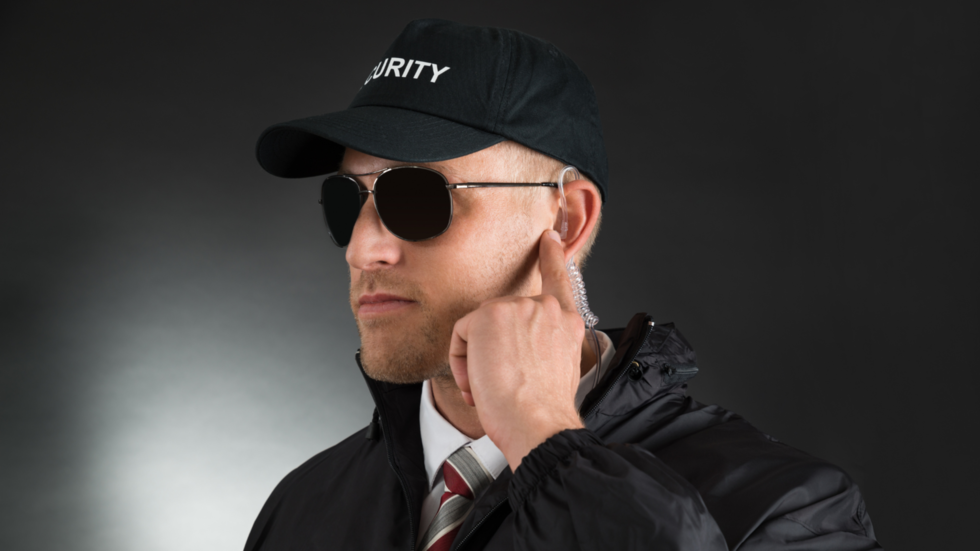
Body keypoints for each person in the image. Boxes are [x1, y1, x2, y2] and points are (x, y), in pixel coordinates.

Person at [244, 19, 881, 551]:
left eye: (415, 198)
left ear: (566, 219)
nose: (363, 248)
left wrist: (548, 444)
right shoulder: (303, 509)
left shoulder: (784, 509)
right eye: (347, 200)